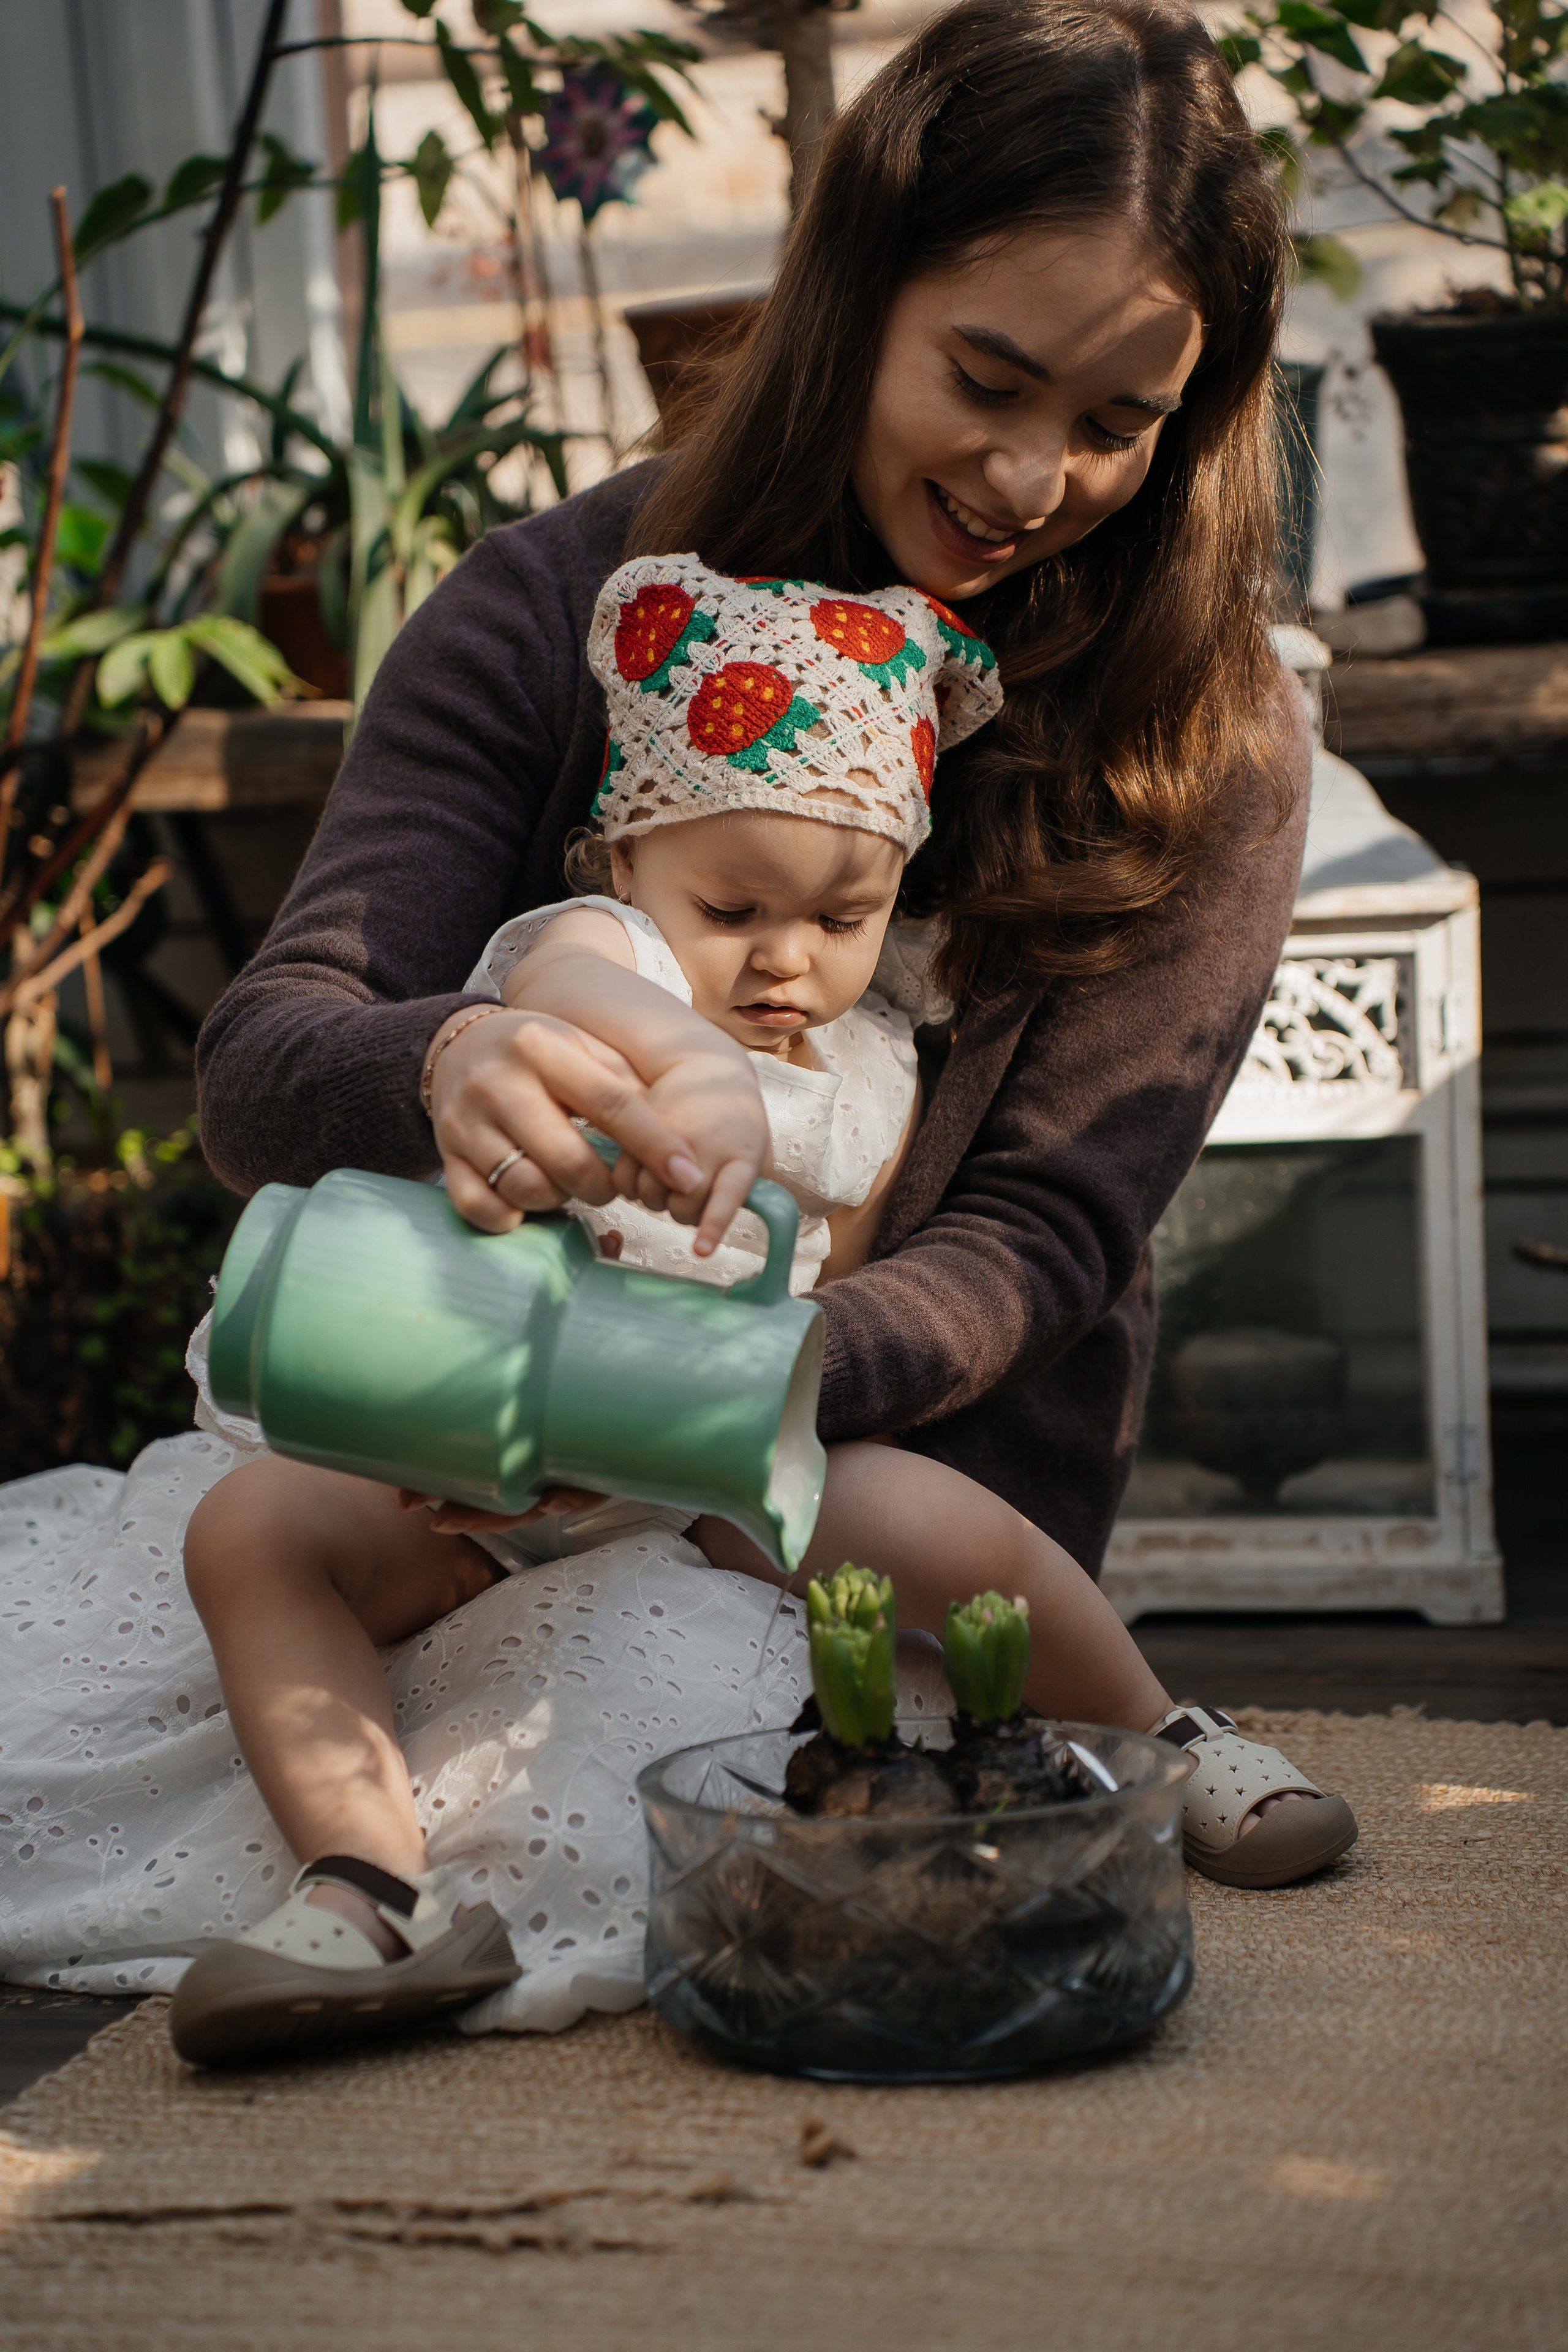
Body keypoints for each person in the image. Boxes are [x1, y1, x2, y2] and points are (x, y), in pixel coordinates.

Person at [0, 0, 1351, 2052]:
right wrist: (444, 1065)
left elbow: (1046, 1238)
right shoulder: (554, 605)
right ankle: (371, 1898)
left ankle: (1161, 1736)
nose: (1029, 479)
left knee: (685, 1775)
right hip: (444, 1454)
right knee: (195, 1606)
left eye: (1118, 420)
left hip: (825, 1472)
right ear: (850, 297)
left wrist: (690, 1394)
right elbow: (269, 1065)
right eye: (987, 379)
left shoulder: (1208, 729)